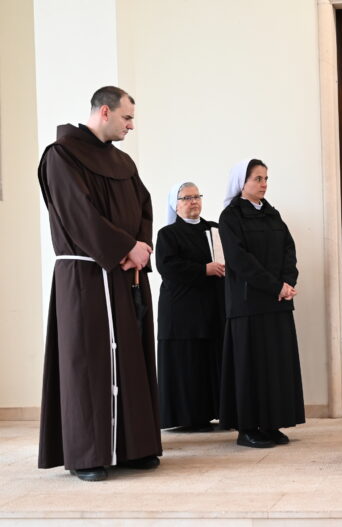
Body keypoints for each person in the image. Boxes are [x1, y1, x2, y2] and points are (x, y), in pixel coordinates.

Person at [37, 86, 162, 481]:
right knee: (88, 362)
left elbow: (144, 206)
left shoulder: (123, 162)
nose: (131, 126)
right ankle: (88, 454)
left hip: (125, 274)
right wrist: (124, 248)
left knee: (130, 359)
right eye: (127, 118)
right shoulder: (61, 155)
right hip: (85, 277)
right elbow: (78, 214)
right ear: (104, 112)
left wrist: (140, 248)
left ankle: (133, 447)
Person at [218, 159, 305, 448]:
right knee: (250, 367)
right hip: (248, 304)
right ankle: (247, 428)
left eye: (266, 178)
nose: (264, 184)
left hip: (277, 301)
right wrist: (274, 285)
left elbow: (288, 249)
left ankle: (271, 423)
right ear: (241, 182)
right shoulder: (230, 217)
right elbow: (239, 260)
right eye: (257, 178)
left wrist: (287, 282)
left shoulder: (272, 214)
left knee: (275, 365)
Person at [156, 182, 226, 432]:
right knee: (188, 364)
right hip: (182, 312)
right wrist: (203, 269)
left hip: (213, 308)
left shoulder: (215, 229)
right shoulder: (168, 234)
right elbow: (167, 267)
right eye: (186, 198)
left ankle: (219, 411)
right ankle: (189, 418)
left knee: (212, 360)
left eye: (197, 196)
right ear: (175, 205)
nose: (193, 201)